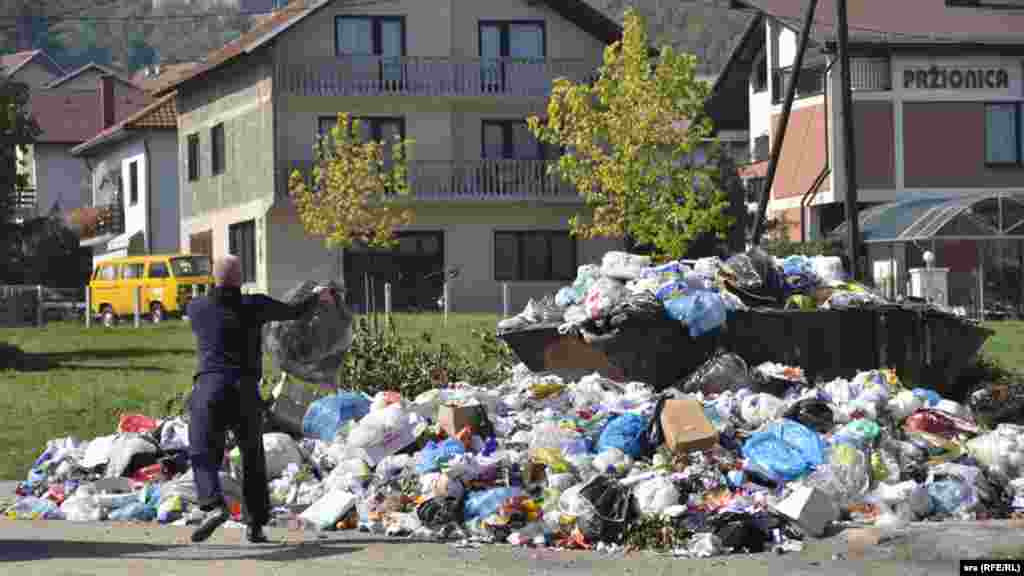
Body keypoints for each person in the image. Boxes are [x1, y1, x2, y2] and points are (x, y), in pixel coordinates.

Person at [186, 255, 336, 543]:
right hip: (245, 390)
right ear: (241, 278)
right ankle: (255, 525)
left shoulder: (197, 307)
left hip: (210, 387)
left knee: (202, 449)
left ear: (213, 278)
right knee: (252, 457)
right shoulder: (255, 305)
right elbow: (295, 311)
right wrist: (318, 296)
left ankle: (213, 503)